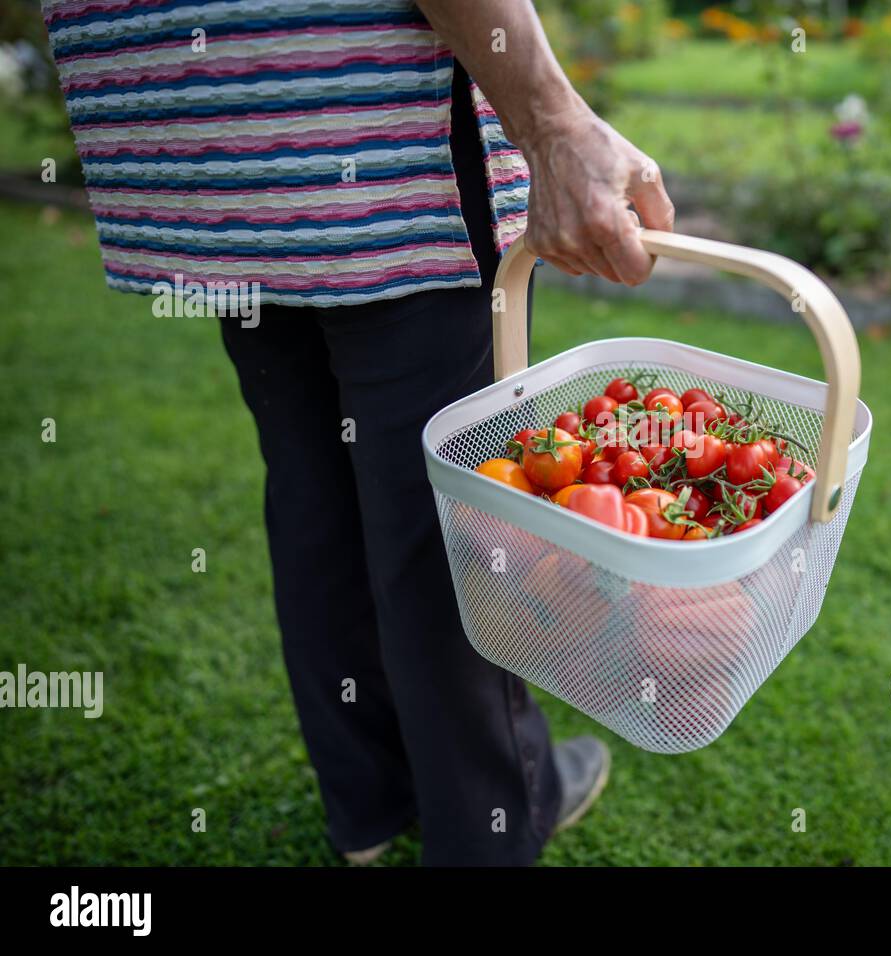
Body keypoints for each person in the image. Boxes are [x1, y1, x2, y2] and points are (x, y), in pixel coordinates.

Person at [41, 0, 674, 865]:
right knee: (443, 515)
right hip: (371, 133)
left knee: (310, 486)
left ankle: (367, 803)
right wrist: (556, 123)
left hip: (210, 149)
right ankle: (486, 826)